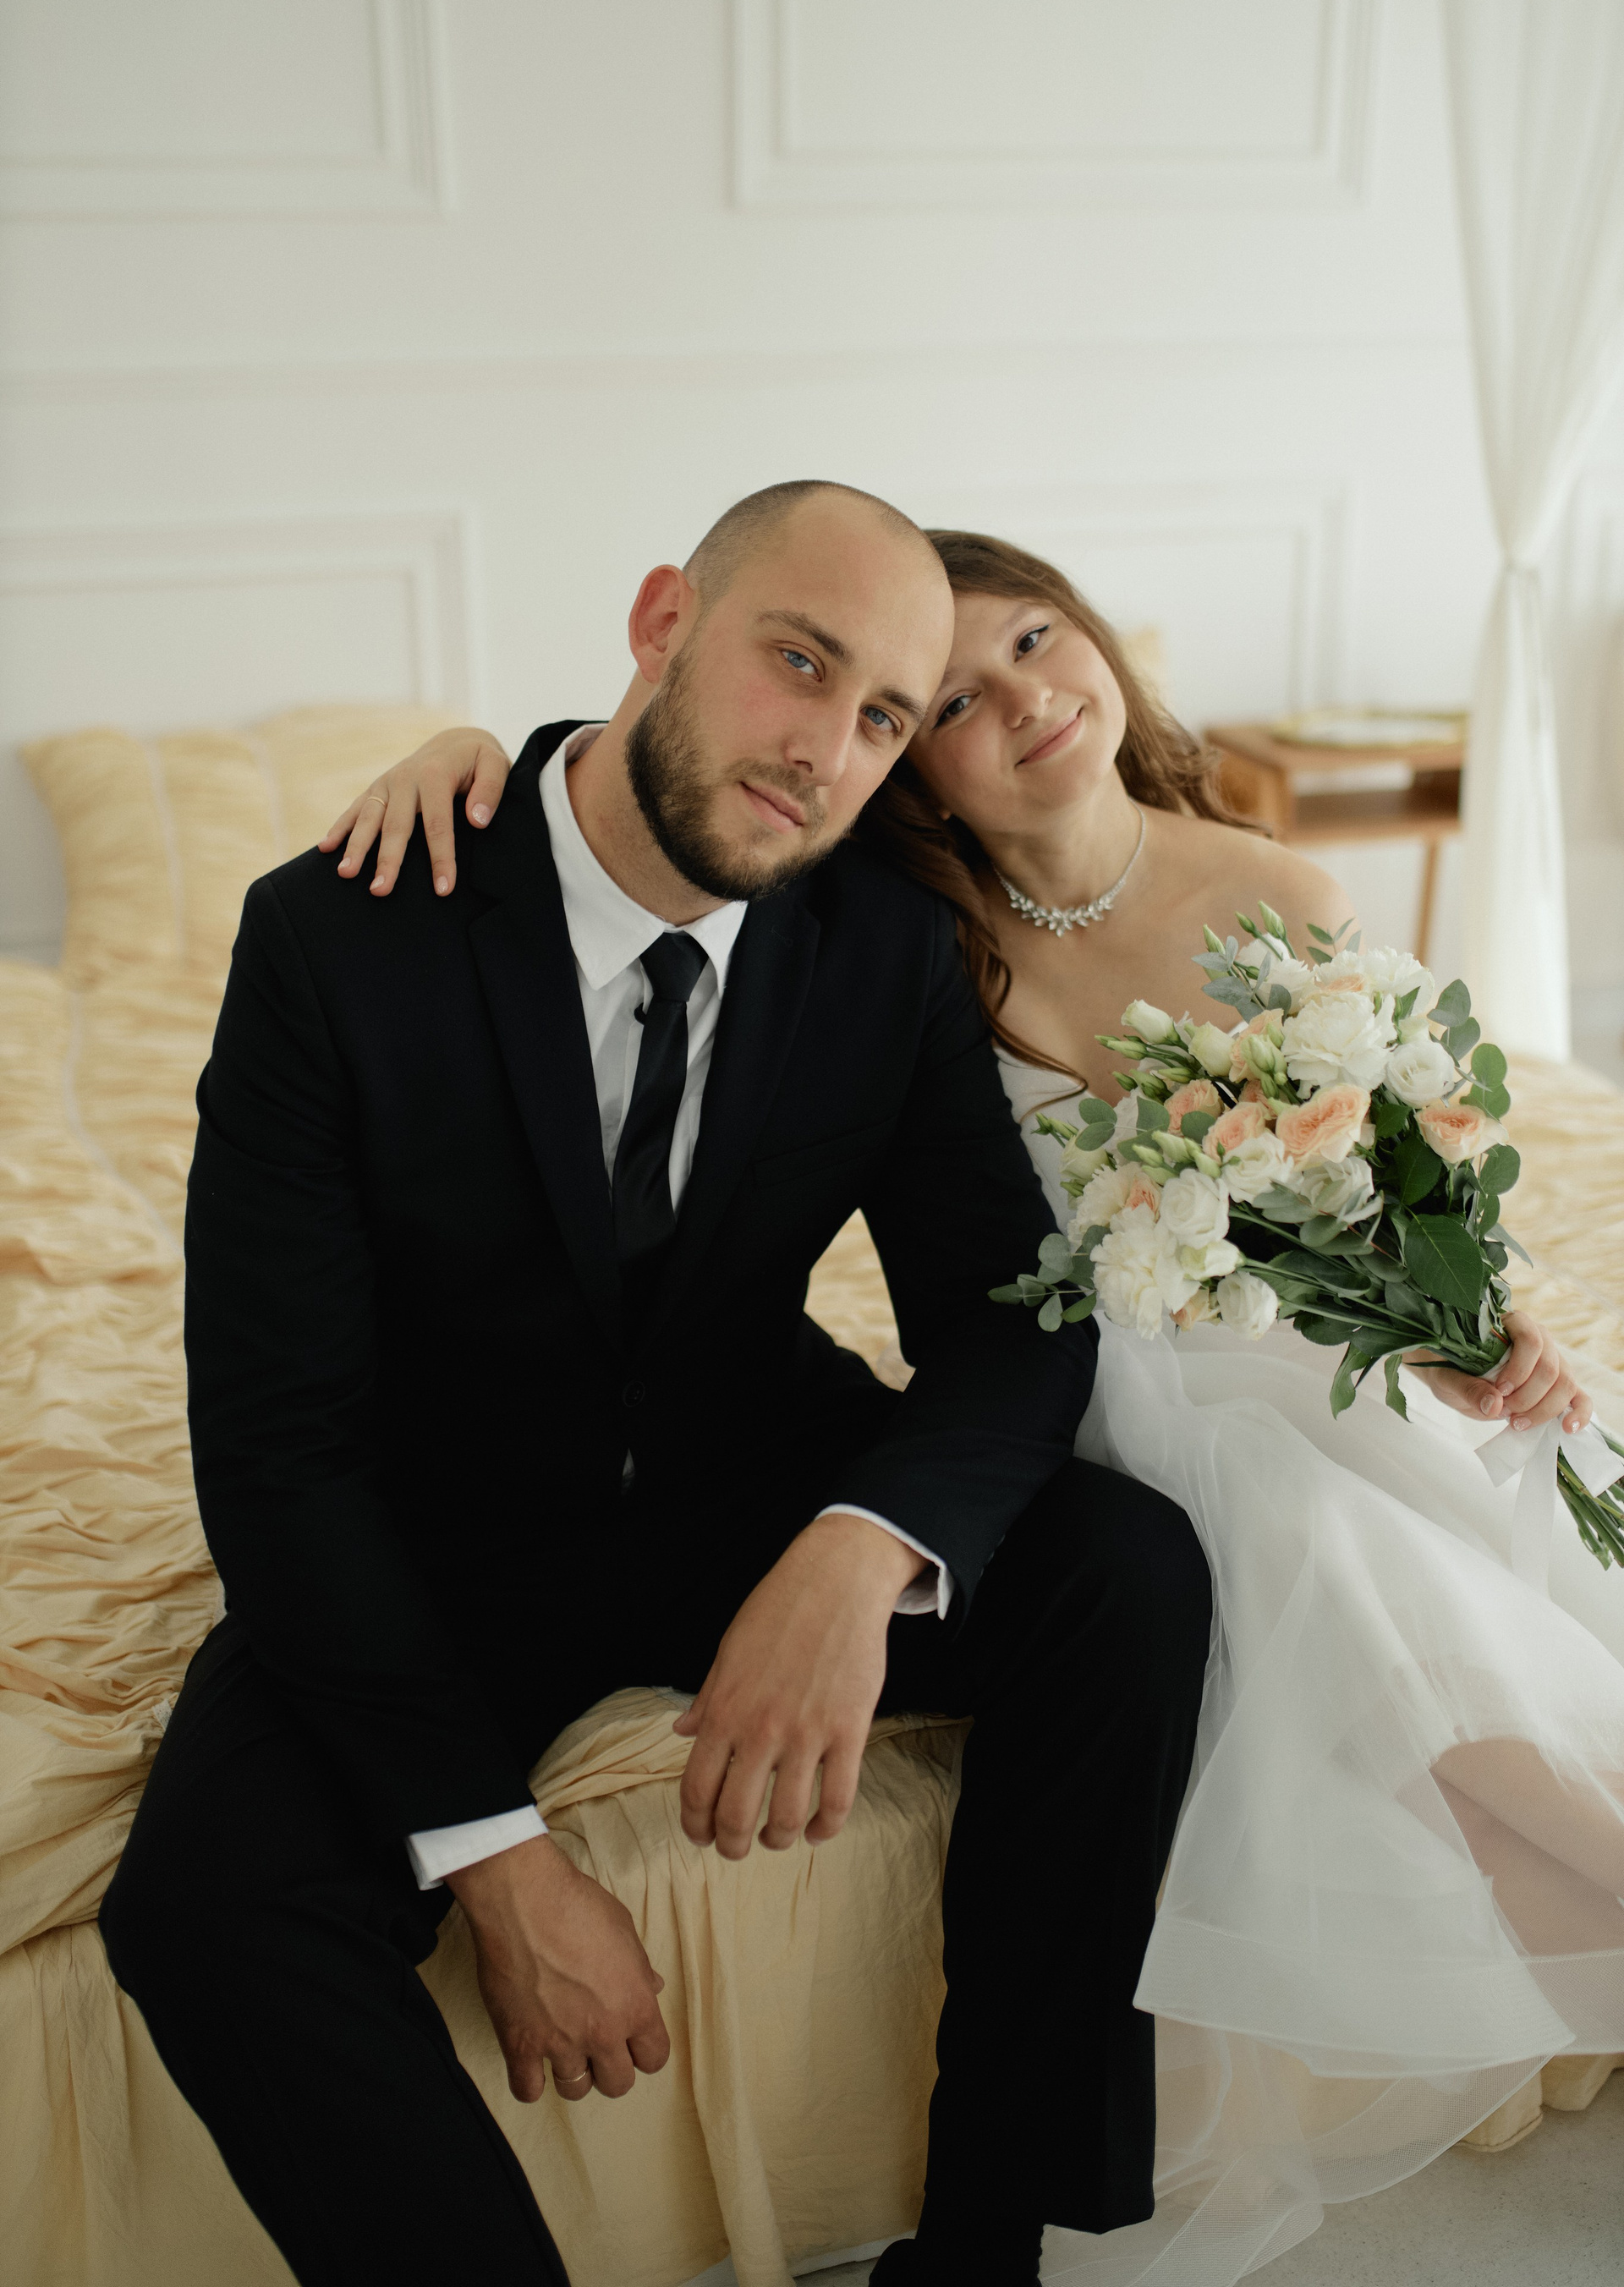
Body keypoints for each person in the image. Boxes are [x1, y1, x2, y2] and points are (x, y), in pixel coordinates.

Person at [347, 526, 1624, 2285]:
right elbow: (660, 801)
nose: (1021, 700)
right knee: (1299, 1537)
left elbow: (1401, 1181)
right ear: (907, 771)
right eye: (946, 703)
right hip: (1117, 1395)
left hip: (1324, 1369)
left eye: (1032, 640)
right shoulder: (911, 945)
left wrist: (1475, 1315)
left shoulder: (1285, 886)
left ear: (1089, 629)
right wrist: (465, 760)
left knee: (1467, 1536)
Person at [98, 484, 1215, 2287]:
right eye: (799, 662)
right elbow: (276, 1442)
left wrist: (861, 1546)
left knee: (1129, 1573)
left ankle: (982, 2251)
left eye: (882, 716)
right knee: (202, 1910)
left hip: (746, 1471)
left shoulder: (880, 942)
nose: (825, 752)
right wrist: (500, 1859)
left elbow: (1013, 1320)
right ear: (659, 622)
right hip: (433, 1529)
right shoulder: (342, 932)